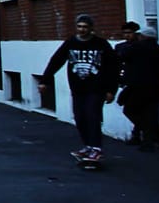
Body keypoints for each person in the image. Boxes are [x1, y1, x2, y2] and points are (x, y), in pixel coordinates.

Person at [43, 14, 120, 163]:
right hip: (78, 88)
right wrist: (45, 80)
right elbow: (56, 60)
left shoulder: (101, 44)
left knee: (92, 116)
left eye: (85, 27)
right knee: (79, 118)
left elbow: (113, 68)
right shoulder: (71, 43)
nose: (82, 29)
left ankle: (97, 148)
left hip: (97, 88)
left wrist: (111, 90)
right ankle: (88, 145)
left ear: (91, 28)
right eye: (79, 26)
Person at [117, 24, 159, 151]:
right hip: (155, 86)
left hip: (137, 86)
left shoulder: (136, 48)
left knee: (130, 109)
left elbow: (122, 57)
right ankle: (149, 140)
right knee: (150, 112)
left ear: (143, 36)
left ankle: (153, 132)